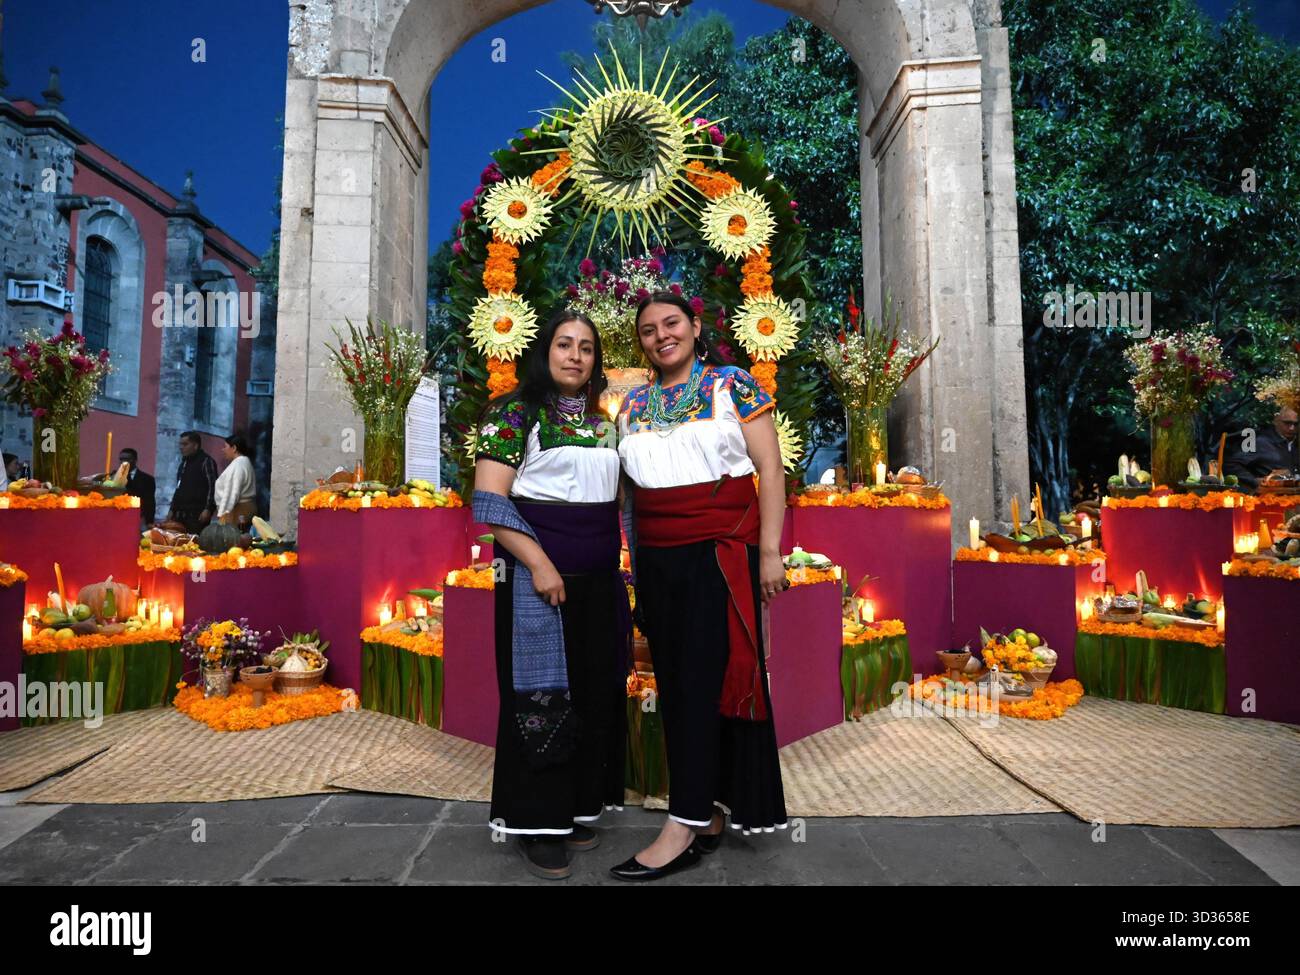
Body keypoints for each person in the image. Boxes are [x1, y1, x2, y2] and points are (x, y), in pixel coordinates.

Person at [612, 291, 788, 883]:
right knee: (679, 686)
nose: (661, 335)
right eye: (647, 330)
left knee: (701, 686)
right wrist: (631, 566)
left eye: (671, 323)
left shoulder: (732, 384)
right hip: (659, 565)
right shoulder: (630, 405)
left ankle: (682, 821)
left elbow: (771, 471)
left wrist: (768, 554)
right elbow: (629, 498)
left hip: (718, 557)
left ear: (693, 327)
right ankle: (707, 808)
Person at [471, 309, 628, 881]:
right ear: (544, 351)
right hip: (539, 581)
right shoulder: (514, 411)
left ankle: (574, 807)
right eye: (565, 344)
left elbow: (619, 500)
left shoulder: (604, 421)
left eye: (587, 348)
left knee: (589, 692)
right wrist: (538, 564)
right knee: (540, 699)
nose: (575, 356)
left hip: (598, 582)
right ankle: (536, 823)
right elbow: (489, 500)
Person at [1224, 406, 1298, 489]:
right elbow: (1231, 464)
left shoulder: (1295, 444)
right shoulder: (1260, 442)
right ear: (1276, 420)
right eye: (1287, 423)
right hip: (1268, 497)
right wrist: (1254, 481)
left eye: (1296, 424)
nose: (1292, 428)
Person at [168, 431, 217, 533]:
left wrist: (208, 509)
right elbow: (178, 487)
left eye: (185, 444)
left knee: (195, 545)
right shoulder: (184, 463)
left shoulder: (206, 461)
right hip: (180, 515)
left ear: (195, 445)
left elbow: (213, 487)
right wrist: (172, 509)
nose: (181, 447)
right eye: (180, 444)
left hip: (197, 515)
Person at [214, 434, 257, 526]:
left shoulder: (238, 465)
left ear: (234, 448)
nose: (223, 450)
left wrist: (223, 514)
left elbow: (232, 492)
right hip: (241, 509)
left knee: (233, 539)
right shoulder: (243, 462)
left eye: (225, 447)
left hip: (237, 511)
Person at [118, 448, 156, 526]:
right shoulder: (115, 477)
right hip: (119, 516)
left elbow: (150, 502)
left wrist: (149, 521)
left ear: (135, 460)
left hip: (139, 517)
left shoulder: (147, 479)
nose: (123, 462)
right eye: (121, 459)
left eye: (127, 459)